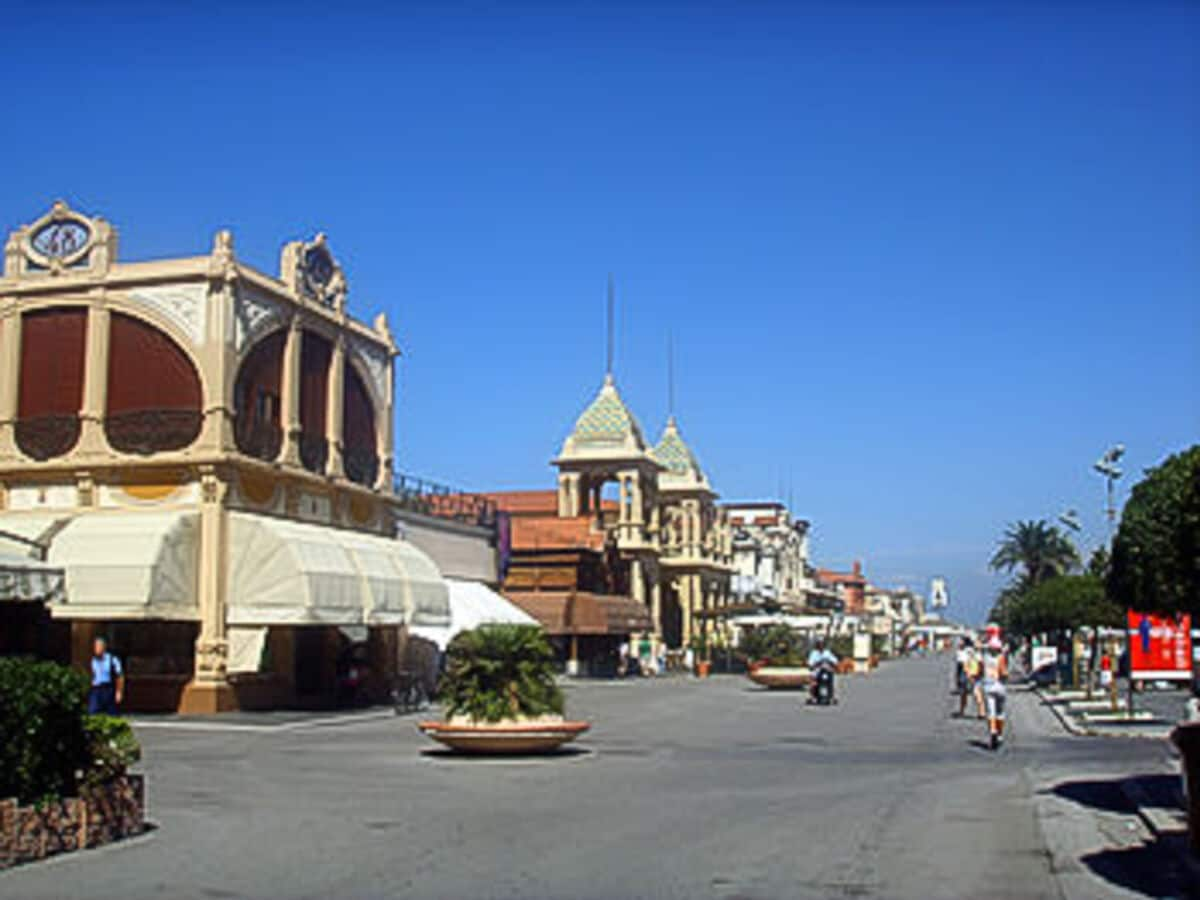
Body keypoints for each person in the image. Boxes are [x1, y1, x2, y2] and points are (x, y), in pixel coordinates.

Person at [981, 635, 1009, 749]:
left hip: (988, 685)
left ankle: (992, 732)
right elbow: (1003, 672)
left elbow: (979, 669)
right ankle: (1000, 734)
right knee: (1000, 712)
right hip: (999, 686)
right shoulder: (1001, 657)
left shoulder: (985, 657)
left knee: (991, 712)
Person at [88, 636, 124, 715]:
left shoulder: (112, 659)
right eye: (95, 647)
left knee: (111, 713)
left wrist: (119, 692)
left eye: (98, 646)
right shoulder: (92, 660)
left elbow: (119, 676)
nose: (96, 649)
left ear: (103, 648)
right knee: (92, 711)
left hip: (108, 688)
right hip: (96, 689)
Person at [807, 638, 838, 702]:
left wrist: (831, 662)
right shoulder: (814, 653)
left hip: (827, 671)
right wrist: (817, 663)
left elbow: (835, 661)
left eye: (822, 643)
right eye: (819, 643)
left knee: (831, 681)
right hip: (817, 671)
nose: (821, 645)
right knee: (813, 682)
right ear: (817, 645)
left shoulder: (827, 652)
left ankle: (832, 696)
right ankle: (812, 697)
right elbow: (810, 664)